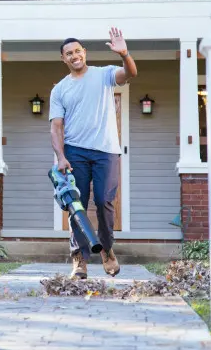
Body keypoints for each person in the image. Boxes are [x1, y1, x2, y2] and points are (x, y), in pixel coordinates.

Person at [49, 28, 138, 279]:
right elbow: (56, 127)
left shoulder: (103, 74)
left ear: (84, 53)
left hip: (106, 151)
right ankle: (79, 259)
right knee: (76, 206)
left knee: (103, 201)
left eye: (78, 51)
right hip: (75, 152)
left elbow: (130, 72)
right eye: (69, 53)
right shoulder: (60, 90)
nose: (74, 55)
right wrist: (61, 156)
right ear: (63, 59)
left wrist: (124, 54)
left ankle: (107, 250)